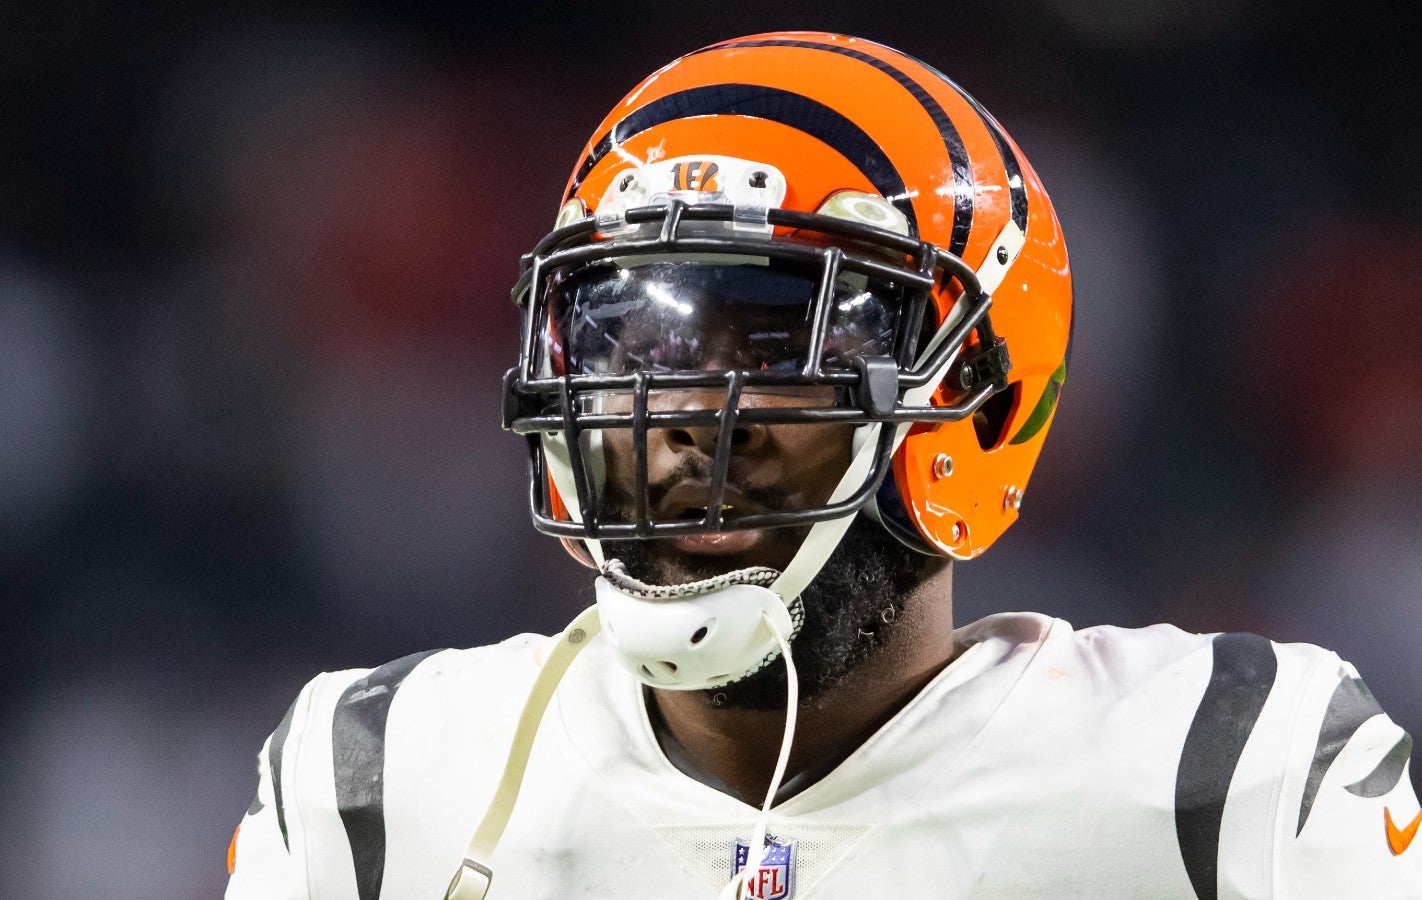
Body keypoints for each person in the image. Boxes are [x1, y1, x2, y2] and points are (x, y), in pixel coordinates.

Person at [225, 32, 1422, 899]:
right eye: (630, 341)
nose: (683, 414)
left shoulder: (1227, 781)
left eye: (773, 340)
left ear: (974, 398)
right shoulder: (378, 782)